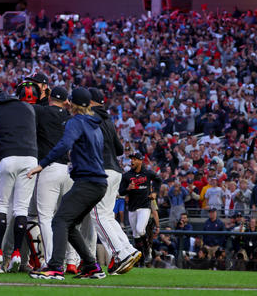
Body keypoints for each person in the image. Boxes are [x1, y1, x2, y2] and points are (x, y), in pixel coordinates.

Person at [28, 87, 108, 280]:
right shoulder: (95, 125)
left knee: (59, 220)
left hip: (87, 181)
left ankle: (55, 267)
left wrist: (42, 164)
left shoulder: (76, 122)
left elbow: (65, 144)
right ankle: (91, 266)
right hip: (98, 183)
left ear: (72, 104)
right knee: (69, 224)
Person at [88, 87, 141, 275]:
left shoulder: (90, 115)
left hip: (101, 170)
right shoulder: (108, 120)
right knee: (107, 216)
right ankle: (128, 249)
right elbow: (119, 150)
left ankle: (119, 254)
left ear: (91, 101)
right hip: (115, 171)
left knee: (97, 215)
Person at [0, 87, 38, 273]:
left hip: (8, 157)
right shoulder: (28, 108)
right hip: (31, 158)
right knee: (21, 208)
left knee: (1, 205)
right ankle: (17, 253)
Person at [32, 87, 74, 268]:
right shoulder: (69, 117)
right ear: (65, 100)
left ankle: (52, 261)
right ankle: (69, 260)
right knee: (64, 218)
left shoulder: (41, 111)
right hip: (68, 170)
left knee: (46, 217)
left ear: (49, 97)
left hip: (48, 168)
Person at [119, 152, 162, 265]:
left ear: (140, 161)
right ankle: (142, 256)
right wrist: (128, 188)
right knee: (135, 234)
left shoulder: (147, 173)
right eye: (131, 159)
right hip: (132, 207)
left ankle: (148, 251)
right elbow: (121, 191)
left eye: (135, 159)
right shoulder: (127, 175)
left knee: (140, 229)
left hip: (144, 206)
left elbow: (158, 180)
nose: (132, 161)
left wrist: (155, 193)